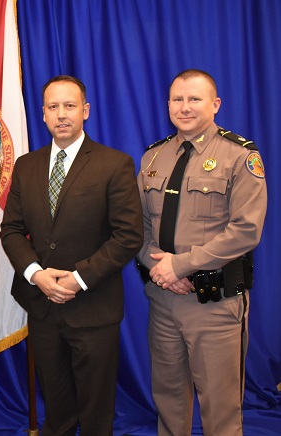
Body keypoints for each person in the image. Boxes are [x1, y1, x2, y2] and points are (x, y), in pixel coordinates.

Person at [0, 75, 143, 435]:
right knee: (57, 410)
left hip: (93, 307)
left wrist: (78, 279)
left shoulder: (115, 164)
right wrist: (36, 273)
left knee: (96, 414)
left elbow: (128, 237)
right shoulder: (26, 166)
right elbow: (12, 230)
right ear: (43, 114)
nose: (61, 114)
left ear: (85, 111)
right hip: (43, 306)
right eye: (52, 107)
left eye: (69, 106)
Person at [136, 69, 267, 435]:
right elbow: (138, 229)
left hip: (215, 303)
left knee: (221, 408)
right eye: (177, 99)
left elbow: (246, 230)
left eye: (195, 99)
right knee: (168, 401)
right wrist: (158, 266)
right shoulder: (152, 158)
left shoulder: (239, 156)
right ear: (168, 105)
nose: (185, 107)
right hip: (163, 299)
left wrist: (181, 265)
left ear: (215, 104)